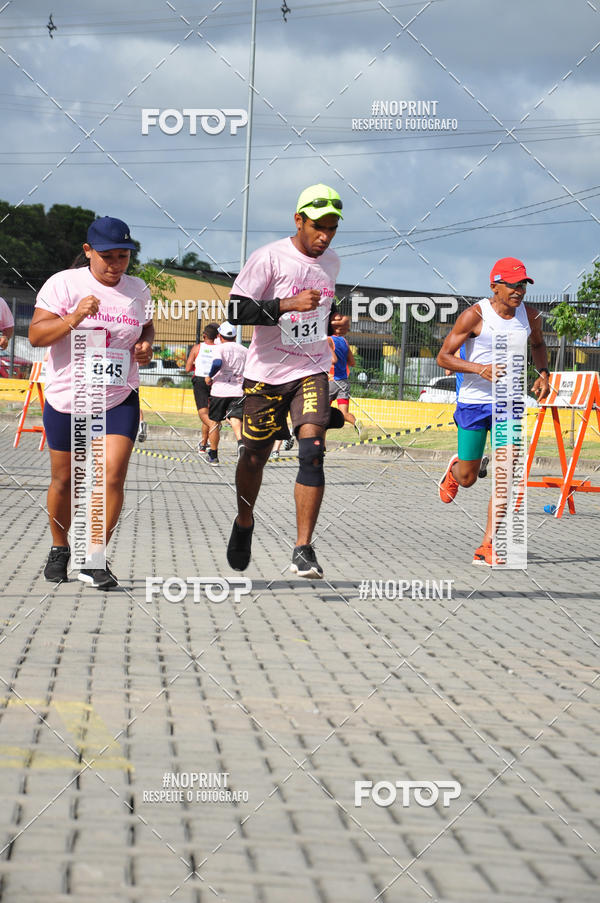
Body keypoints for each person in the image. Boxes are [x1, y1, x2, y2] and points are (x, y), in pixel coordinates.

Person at [226, 183, 349, 578]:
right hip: (265, 374)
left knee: (313, 450)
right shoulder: (269, 258)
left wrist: (334, 322)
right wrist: (286, 305)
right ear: (299, 220)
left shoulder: (332, 262)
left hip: (311, 368)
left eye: (331, 228)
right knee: (255, 456)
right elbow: (234, 309)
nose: (324, 236)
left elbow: (319, 311)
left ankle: (303, 548)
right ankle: (245, 521)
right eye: (318, 226)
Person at [29, 216, 154, 588]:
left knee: (112, 474)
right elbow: (36, 335)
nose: (116, 265)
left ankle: (95, 559)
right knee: (65, 480)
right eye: (108, 257)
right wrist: (74, 316)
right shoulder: (64, 284)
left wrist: (145, 343)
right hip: (69, 398)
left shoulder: (138, 289)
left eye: (123, 257)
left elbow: (145, 324)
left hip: (117, 396)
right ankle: (59, 548)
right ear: (88, 252)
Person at [436, 257, 550, 565]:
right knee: (469, 477)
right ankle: (456, 469)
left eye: (523, 285)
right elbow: (443, 357)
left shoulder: (530, 315)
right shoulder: (474, 316)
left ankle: (487, 545)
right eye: (512, 285)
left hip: (510, 404)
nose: (518, 291)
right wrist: (478, 368)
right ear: (494, 286)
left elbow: (539, 345)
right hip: (474, 404)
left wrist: (543, 373)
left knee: (507, 472)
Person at [204, 321, 248, 465]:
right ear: (235, 337)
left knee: (215, 422)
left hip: (220, 390)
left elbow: (217, 363)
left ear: (220, 336)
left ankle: (214, 455)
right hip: (238, 390)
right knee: (236, 418)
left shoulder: (219, 348)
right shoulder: (243, 350)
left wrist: (210, 376)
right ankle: (240, 443)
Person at [185, 323, 220, 453]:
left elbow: (187, 368)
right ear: (217, 336)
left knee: (204, 414)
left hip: (200, 380)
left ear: (204, 335)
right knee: (211, 415)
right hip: (215, 381)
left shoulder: (197, 348)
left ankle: (208, 438)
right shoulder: (219, 348)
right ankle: (204, 443)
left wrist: (196, 365)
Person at [328, 326, 362, 435]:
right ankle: (357, 423)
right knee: (344, 413)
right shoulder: (344, 341)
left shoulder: (327, 340)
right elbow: (352, 363)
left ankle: (321, 445)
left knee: (321, 414)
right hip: (343, 382)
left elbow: (332, 359)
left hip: (330, 381)